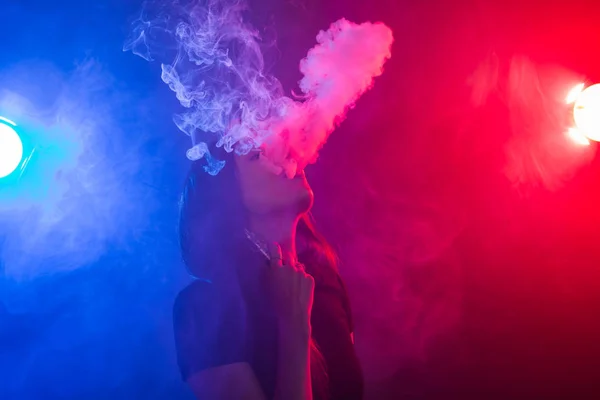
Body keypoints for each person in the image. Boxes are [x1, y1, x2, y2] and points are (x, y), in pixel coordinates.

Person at [174, 146, 364, 399]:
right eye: (256, 156)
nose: (286, 155)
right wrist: (293, 324)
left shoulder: (327, 283)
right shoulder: (204, 308)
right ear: (228, 196)